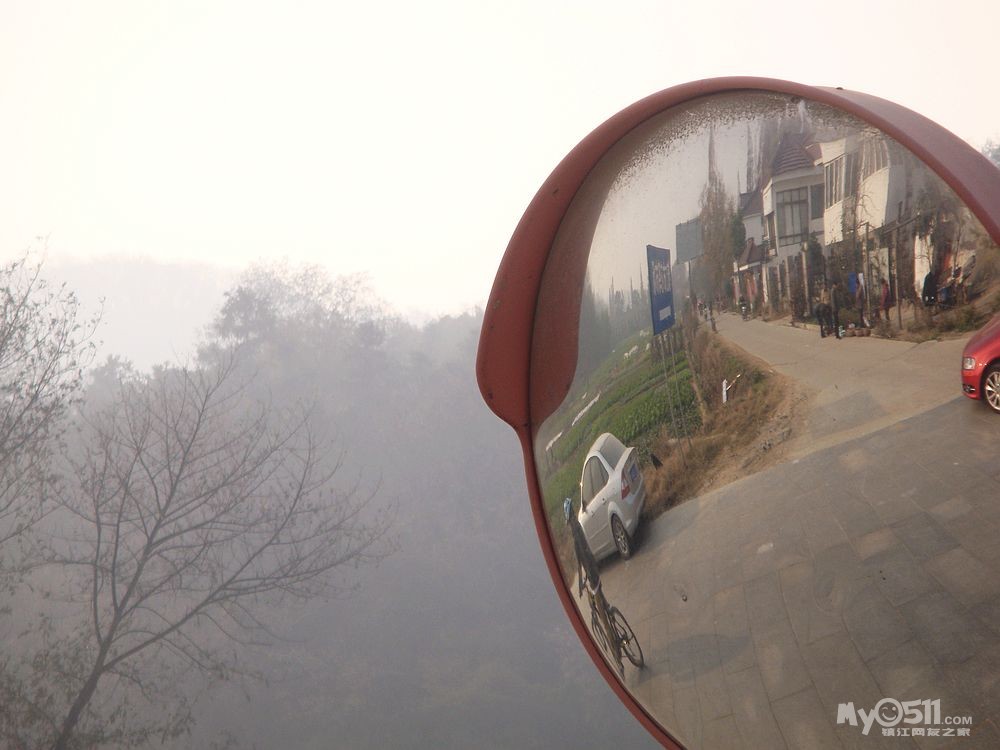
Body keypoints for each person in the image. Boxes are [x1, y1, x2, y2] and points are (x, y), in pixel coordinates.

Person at [564, 497, 624, 676]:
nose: (570, 523)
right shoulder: (579, 528)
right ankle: (609, 611)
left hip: (592, 577)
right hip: (594, 573)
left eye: (568, 520)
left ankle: (618, 660)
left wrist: (581, 585)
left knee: (604, 624)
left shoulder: (576, 535)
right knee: (603, 606)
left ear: (569, 519)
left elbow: (579, 561)